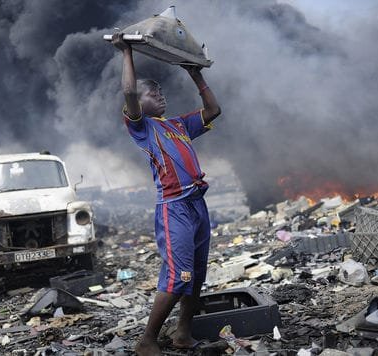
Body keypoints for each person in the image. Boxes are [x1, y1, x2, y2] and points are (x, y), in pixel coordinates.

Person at [112, 33, 221, 355]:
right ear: (138, 103)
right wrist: (126, 51)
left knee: (196, 274)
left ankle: (182, 333)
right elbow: (129, 89)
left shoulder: (177, 125)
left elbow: (213, 110)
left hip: (197, 205)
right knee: (178, 275)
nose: (160, 96)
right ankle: (146, 340)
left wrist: (195, 73)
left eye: (161, 91)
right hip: (174, 208)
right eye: (153, 92)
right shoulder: (141, 126)